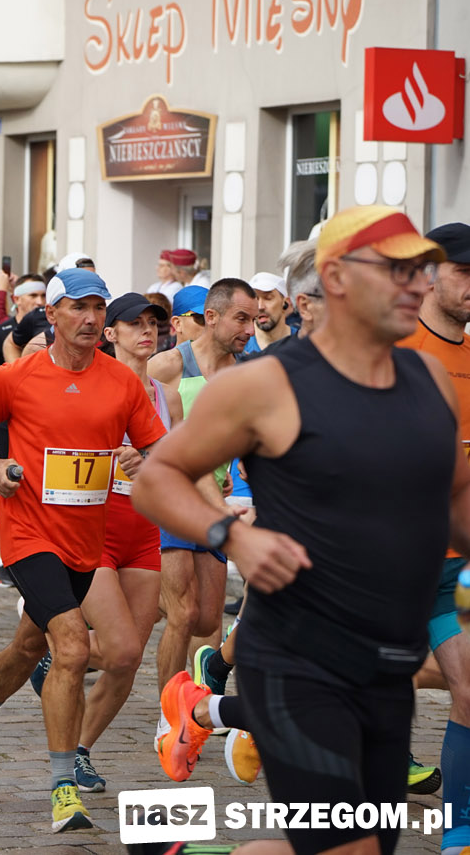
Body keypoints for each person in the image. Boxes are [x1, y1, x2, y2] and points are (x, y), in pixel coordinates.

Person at [133, 205, 461, 855]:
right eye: (397, 270)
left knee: (358, 847)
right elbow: (157, 477)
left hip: (388, 665)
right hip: (298, 661)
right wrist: (233, 535)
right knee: (347, 847)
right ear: (335, 278)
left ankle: (173, 851)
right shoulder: (268, 383)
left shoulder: (427, 380)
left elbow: (458, 495)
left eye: (422, 270)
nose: (419, 284)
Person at [0, 269, 167, 833]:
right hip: (29, 535)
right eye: (78, 307)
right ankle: (63, 788)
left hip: (85, 542)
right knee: (69, 648)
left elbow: (159, 446)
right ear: (51, 314)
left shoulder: (122, 382)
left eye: (98, 308)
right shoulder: (17, 376)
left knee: (28, 648)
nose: (91, 318)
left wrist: (145, 457)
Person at [146, 277, 255, 748]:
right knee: (183, 612)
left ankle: (122, 610)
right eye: (241, 319)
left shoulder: (245, 373)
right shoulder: (168, 365)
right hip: (170, 500)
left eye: (254, 320)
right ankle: (170, 718)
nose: (250, 329)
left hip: (213, 504)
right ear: (211, 317)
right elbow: (130, 411)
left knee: (208, 619)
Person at [396, 221, 470, 852]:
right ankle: (210, 708)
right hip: (383, 562)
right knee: (346, 691)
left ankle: (458, 832)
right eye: (464, 273)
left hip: (451, 566)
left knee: (469, 689)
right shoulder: (394, 351)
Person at [243, 272, 296, 354]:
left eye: (268, 298)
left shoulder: (304, 341)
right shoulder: (241, 346)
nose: (260, 306)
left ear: (286, 303)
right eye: (255, 299)